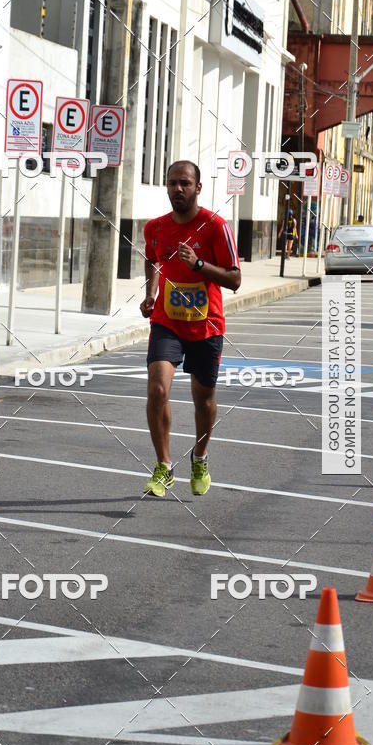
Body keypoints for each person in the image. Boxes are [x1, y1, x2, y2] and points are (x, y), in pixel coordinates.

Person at [140, 160, 241, 498]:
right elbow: (153, 259)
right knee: (157, 389)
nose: (177, 189)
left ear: (198, 187)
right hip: (167, 321)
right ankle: (164, 467)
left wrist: (198, 264)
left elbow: (235, 279)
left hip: (206, 324)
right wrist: (150, 294)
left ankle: (200, 457)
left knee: (204, 401)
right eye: (172, 183)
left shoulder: (216, 227)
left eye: (184, 183)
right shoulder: (155, 227)